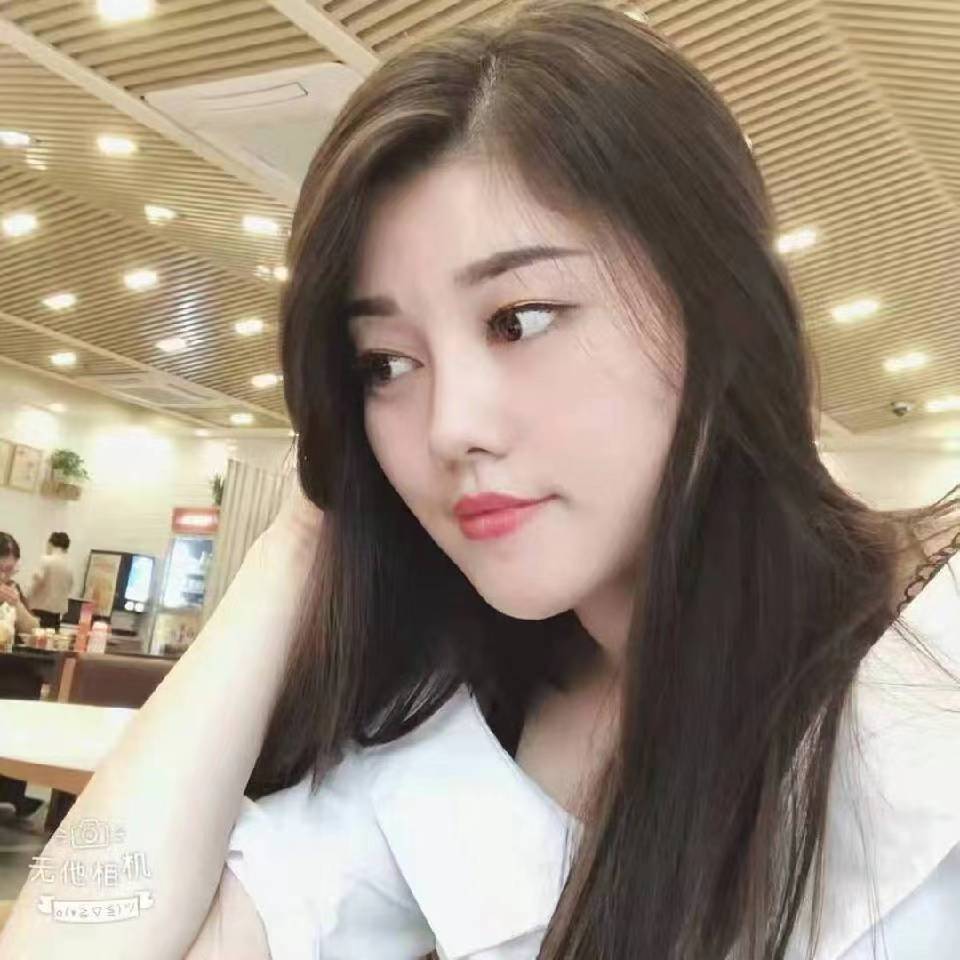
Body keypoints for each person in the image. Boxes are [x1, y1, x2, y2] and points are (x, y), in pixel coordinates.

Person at [2, 4, 959, 958]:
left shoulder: (931, 654)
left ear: (717, 307)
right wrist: (297, 538)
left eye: (519, 320)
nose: (449, 426)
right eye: (384, 364)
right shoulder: (452, 746)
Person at [27, 531, 74, 631]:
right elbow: (69, 588)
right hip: (57, 616)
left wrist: (25, 600)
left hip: (39, 612)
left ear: (50, 544)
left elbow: (34, 584)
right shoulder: (69, 566)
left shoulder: (46, 561)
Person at [0, 532, 39, 636]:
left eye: (8, 569)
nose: (2, 576)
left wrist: (16, 605)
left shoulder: (12, 587)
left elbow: (34, 629)